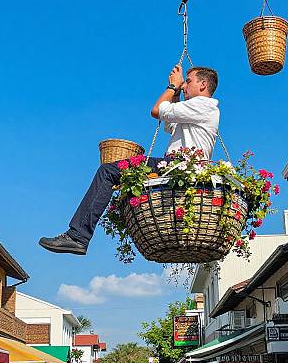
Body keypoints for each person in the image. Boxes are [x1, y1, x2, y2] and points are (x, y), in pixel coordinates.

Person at [39, 65, 220, 255]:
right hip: (178, 167)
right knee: (115, 175)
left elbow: (157, 110)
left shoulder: (203, 105)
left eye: (188, 82)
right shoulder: (196, 110)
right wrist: (175, 93)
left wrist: (173, 87)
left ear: (203, 84)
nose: (184, 87)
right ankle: (79, 235)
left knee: (108, 172)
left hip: (179, 165)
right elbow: (170, 124)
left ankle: (78, 236)